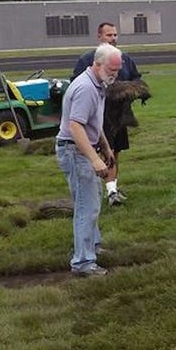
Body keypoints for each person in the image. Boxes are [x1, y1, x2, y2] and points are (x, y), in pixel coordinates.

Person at [56, 43, 123, 276]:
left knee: (91, 202)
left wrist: (105, 148)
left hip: (84, 148)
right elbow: (75, 127)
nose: (114, 75)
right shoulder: (86, 88)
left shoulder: (98, 84)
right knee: (87, 207)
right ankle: (83, 263)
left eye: (117, 71)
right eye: (111, 70)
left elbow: (92, 123)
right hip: (74, 151)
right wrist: (94, 159)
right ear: (97, 64)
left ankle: (93, 248)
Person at [72, 22, 142, 206]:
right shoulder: (87, 59)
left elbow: (137, 78)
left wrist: (130, 89)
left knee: (115, 152)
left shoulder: (124, 58)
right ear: (99, 37)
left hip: (120, 115)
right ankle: (94, 191)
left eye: (115, 35)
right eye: (109, 35)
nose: (113, 38)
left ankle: (112, 190)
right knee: (99, 151)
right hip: (97, 115)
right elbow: (75, 84)